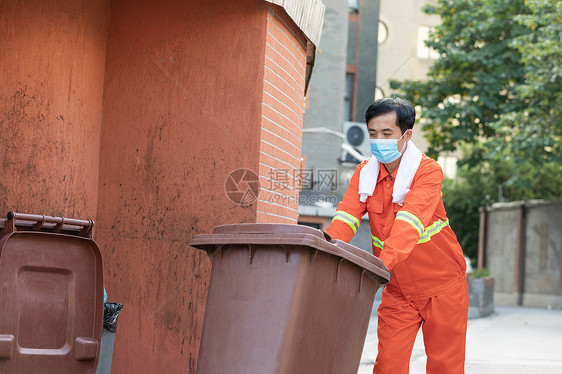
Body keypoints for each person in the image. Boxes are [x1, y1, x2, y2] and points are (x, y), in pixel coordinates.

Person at [325, 98, 468, 373]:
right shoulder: (364, 173)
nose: (378, 141)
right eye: (373, 134)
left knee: (445, 367)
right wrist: (323, 251)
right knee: (388, 366)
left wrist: (378, 267)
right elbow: (345, 217)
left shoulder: (427, 172)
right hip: (399, 291)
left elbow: (409, 224)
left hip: (443, 287)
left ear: (407, 135)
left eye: (387, 134)